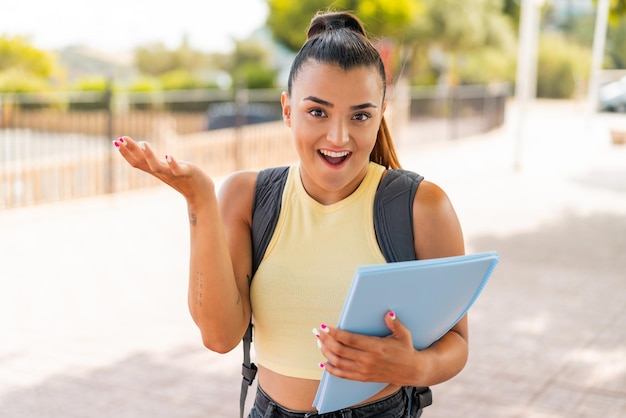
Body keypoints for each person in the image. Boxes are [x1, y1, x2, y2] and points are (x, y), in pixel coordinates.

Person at [113, 10, 467, 418]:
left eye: (360, 115)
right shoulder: (248, 198)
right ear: (287, 109)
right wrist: (199, 201)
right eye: (317, 112)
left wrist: (417, 366)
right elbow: (219, 335)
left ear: (381, 112)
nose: (338, 137)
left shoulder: (422, 206)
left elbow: (456, 341)